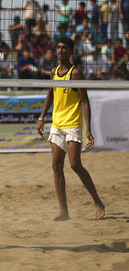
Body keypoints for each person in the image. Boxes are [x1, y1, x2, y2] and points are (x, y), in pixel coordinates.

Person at [37, 37, 105, 221]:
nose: (59, 50)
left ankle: (98, 202)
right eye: (58, 47)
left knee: (75, 164)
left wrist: (88, 129)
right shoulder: (53, 72)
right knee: (56, 166)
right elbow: (50, 94)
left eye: (64, 48)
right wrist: (42, 117)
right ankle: (64, 211)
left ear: (71, 52)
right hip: (57, 124)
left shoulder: (76, 73)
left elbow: (85, 101)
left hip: (73, 123)